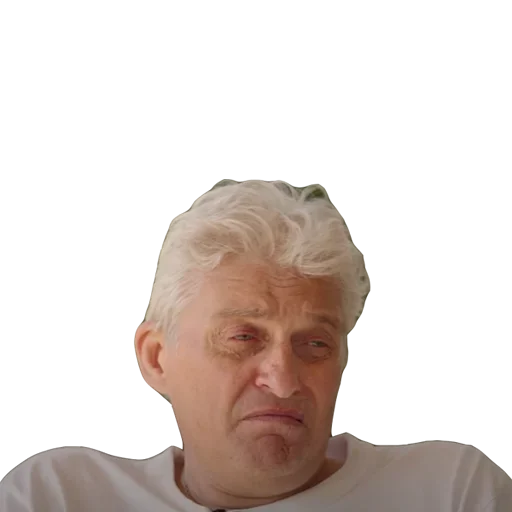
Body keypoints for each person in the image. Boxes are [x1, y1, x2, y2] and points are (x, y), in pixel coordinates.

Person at [1, 179, 511, 512]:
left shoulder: (448, 492)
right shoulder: (59, 497)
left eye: (315, 343)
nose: (284, 380)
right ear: (157, 358)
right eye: (243, 337)